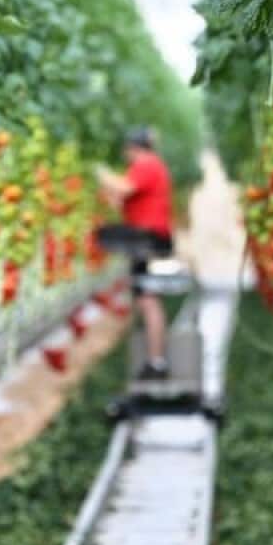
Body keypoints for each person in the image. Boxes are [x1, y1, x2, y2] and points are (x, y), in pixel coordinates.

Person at [97, 128, 174, 380]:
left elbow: (122, 187)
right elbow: (124, 198)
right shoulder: (151, 166)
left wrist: (99, 172)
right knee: (146, 298)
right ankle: (154, 359)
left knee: (148, 299)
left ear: (133, 148)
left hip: (148, 241)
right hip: (148, 240)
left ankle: (157, 362)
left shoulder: (146, 164)